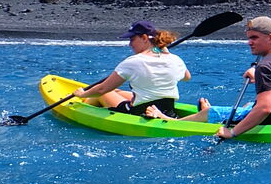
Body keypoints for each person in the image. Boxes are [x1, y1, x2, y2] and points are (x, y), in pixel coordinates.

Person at [75, 21, 207, 121]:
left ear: (144, 38)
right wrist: (166, 51)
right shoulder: (175, 59)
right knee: (118, 91)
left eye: (132, 39)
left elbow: (102, 89)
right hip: (168, 111)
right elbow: (186, 77)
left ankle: (80, 105)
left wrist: (82, 94)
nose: (130, 44)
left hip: (141, 113)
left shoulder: (132, 62)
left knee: (104, 94)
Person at [215, 16, 271, 140]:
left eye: (254, 37)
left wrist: (232, 133)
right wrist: (258, 78)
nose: (249, 42)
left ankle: (182, 121)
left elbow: (264, 109)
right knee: (248, 105)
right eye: (249, 38)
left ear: (270, 38)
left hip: (270, 122)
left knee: (209, 113)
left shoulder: (265, 66)